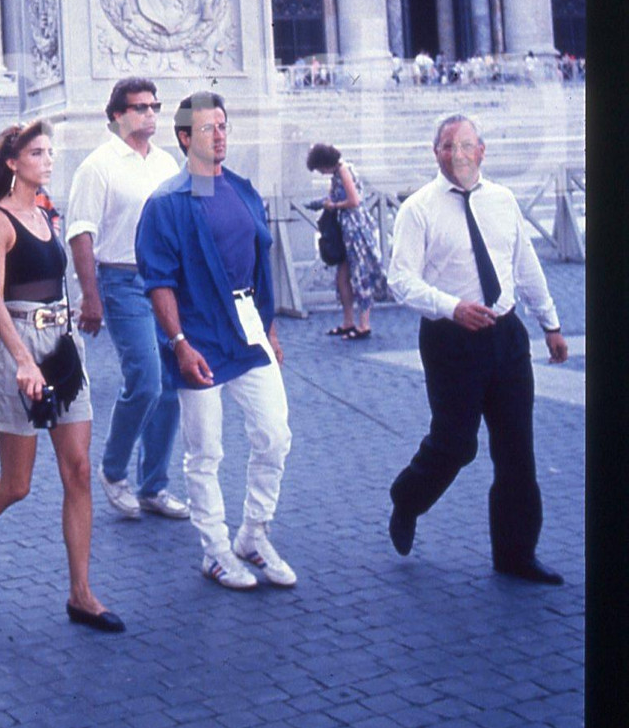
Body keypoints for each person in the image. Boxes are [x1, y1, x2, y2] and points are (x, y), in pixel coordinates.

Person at [0, 120, 124, 633]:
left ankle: (81, 594)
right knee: (17, 485)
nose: (48, 160)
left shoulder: (46, 214)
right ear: (13, 163)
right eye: (38, 153)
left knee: (79, 471)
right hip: (20, 345)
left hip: (63, 346)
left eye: (49, 151)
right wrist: (21, 359)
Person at [386, 114, 569, 584]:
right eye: (448, 146)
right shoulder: (419, 209)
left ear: (482, 151)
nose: (458, 154)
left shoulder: (504, 201)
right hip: (450, 341)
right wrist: (451, 308)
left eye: (467, 145)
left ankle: (515, 554)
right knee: (456, 445)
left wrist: (550, 323)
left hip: (506, 338)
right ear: (436, 153)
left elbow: (524, 267)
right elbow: (400, 280)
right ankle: (407, 498)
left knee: (516, 450)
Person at [135, 92, 295, 590]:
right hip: (199, 335)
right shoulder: (166, 202)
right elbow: (158, 280)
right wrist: (180, 343)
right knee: (205, 453)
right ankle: (216, 551)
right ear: (184, 138)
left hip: (248, 331)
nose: (219, 134)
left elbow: (259, 259)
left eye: (223, 125)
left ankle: (253, 533)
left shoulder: (244, 190)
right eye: (208, 128)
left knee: (275, 435)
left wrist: (268, 325)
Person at [66, 78, 188, 521]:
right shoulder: (97, 166)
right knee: (147, 381)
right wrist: (89, 297)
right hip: (120, 281)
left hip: (165, 282)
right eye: (139, 108)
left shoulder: (166, 163)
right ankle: (114, 470)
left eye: (154, 106)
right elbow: (81, 231)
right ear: (117, 114)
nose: (150, 115)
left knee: (172, 387)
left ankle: (154, 484)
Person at [306, 142, 387, 341]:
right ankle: (348, 321)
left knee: (359, 275)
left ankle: (364, 324)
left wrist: (333, 206)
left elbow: (354, 201)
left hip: (354, 229)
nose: (321, 173)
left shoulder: (343, 171)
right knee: (342, 278)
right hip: (346, 228)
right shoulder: (339, 172)